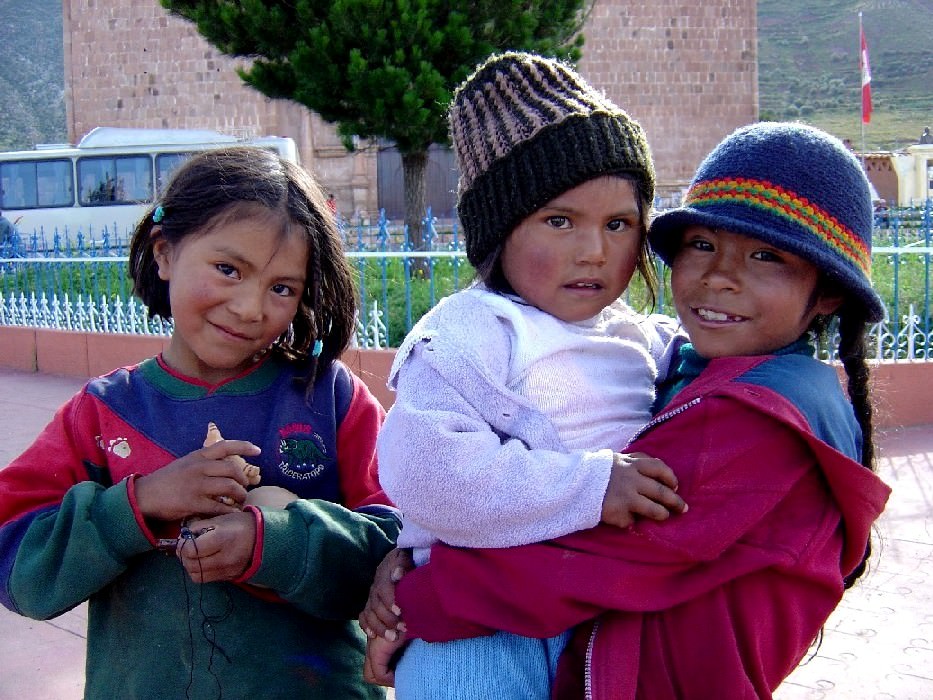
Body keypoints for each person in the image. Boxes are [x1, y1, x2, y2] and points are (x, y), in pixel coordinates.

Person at [367, 122, 893, 699]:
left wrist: (417, 597)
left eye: (766, 256)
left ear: (829, 293)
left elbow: (609, 552)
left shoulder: (762, 416)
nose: (720, 276)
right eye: (702, 245)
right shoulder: (682, 364)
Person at [0, 146, 400, 699]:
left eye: (281, 287)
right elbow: (18, 564)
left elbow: (402, 551)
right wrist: (137, 505)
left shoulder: (330, 399)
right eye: (229, 269)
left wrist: (275, 542)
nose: (249, 308)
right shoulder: (101, 414)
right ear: (165, 254)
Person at [361, 51, 688, 698]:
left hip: (597, 619)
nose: (593, 249)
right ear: (499, 232)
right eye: (559, 221)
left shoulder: (645, 341)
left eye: (618, 224)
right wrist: (588, 487)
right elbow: (426, 474)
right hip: (477, 635)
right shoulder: (467, 332)